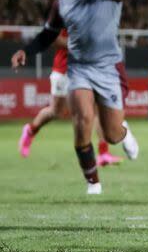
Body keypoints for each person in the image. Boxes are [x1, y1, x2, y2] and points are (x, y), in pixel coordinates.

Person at [11, 0, 148, 195]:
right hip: (79, 69)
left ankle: (123, 131)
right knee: (82, 121)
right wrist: (26, 50)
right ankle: (93, 182)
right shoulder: (64, 1)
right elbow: (48, 34)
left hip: (109, 68)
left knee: (110, 134)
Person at [17, 28, 123, 167]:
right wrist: (82, 45)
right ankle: (31, 130)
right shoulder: (65, 12)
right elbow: (54, 40)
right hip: (64, 69)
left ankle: (103, 154)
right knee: (56, 111)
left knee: (98, 109)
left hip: (88, 69)